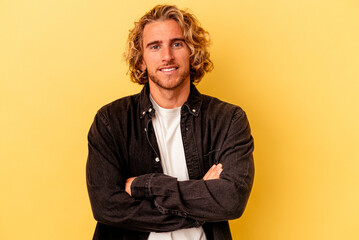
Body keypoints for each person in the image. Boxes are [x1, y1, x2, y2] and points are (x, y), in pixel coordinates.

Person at [86, 4, 254, 240]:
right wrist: (202, 203)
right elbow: (106, 206)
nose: (167, 56)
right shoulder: (110, 121)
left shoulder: (228, 120)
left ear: (192, 52)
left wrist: (146, 186)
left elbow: (231, 199)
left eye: (177, 43)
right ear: (141, 60)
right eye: (155, 46)